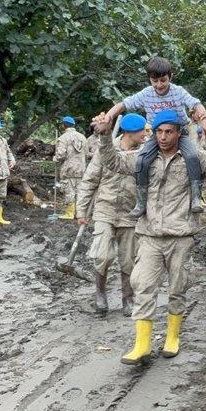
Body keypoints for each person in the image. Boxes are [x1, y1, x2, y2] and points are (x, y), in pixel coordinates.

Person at [94, 109, 206, 365]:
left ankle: (172, 337)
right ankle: (142, 344)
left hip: (181, 235)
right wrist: (104, 136)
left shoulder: (193, 157)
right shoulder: (144, 157)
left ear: (179, 133)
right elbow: (113, 162)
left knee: (178, 288)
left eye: (169, 132)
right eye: (159, 132)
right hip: (150, 235)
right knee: (143, 287)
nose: (163, 137)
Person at [100, 57, 206, 218]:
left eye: (163, 80)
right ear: (150, 79)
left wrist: (205, 117)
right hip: (157, 134)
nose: (159, 85)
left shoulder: (178, 91)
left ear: (170, 77)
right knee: (142, 160)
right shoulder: (146, 94)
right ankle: (141, 201)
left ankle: (196, 197)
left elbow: (195, 104)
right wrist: (109, 116)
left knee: (192, 156)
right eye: (155, 81)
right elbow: (124, 104)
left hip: (180, 132)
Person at [76, 113, 148, 314]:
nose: (145, 134)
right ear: (129, 132)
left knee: (129, 258)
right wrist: (82, 210)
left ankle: (128, 298)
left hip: (131, 213)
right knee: (102, 255)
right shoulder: (106, 149)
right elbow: (90, 180)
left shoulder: (146, 153)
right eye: (141, 131)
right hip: (105, 209)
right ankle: (100, 294)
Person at [53, 116, 87, 220]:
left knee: (69, 191)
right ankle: (79, 213)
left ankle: (69, 213)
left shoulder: (63, 138)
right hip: (81, 169)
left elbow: (61, 155)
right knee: (80, 192)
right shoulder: (82, 137)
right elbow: (86, 153)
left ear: (64, 125)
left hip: (68, 169)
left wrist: (55, 158)